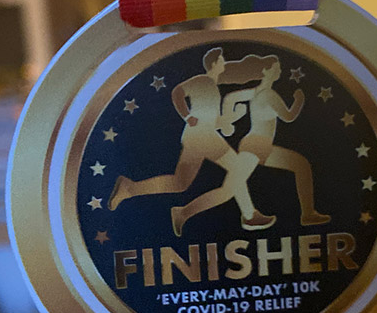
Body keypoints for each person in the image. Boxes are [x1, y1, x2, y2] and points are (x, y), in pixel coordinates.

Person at [107, 48, 275, 234]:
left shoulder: (212, 86)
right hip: (201, 136)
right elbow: (177, 92)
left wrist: (233, 117)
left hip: (201, 136)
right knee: (237, 169)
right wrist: (186, 116)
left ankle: (130, 189)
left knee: (180, 183)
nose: (224, 63)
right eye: (221, 60)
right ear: (213, 64)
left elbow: (212, 121)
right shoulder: (202, 80)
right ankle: (249, 215)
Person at [170, 57, 330, 235]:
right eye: (276, 68)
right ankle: (185, 213)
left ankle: (305, 214)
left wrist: (230, 118)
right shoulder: (269, 95)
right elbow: (289, 116)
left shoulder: (255, 92)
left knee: (300, 165)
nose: (279, 71)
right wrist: (299, 99)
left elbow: (231, 97)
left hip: (260, 146)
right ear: (266, 71)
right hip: (256, 146)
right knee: (228, 190)